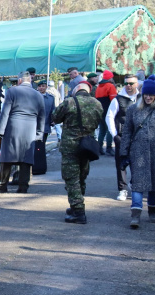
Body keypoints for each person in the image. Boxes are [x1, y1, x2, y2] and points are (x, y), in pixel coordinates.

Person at [118, 76, 155, 228]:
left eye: (151, 95)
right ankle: (135, 215)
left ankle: (152, 210)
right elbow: (127, 132)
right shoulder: (133, 109)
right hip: (138, 151)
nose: (148, 97)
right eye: (146, 94)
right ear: (142, 93)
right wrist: (123, 153)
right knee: (138, 183)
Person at [52, 81, 103, 224]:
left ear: (77, 89)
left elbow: (55, 117)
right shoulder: (97, 104)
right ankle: (76, 206)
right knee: (81, 176)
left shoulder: (69, 102)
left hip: (71, 146)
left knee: (71, 178)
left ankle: (79, 212)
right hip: (87, 146)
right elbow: (97, 122)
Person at [0, 71, 45, 193]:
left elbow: (5, 111)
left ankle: (2, 184)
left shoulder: (12, 91)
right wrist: (39, 133)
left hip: (13, 127)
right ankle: (23, 186)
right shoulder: (38, 95)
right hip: (30, 128)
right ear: (30, 80)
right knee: (26, 159)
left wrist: (0, 131)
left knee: (7, 157)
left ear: (20, 80)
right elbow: (42, 116)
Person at [107, 74, 140, 201]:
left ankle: (134, 184)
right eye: (126, 83)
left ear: (137, 84)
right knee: (121, 164)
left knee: (138, 163)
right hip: (122, 137)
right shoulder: (118, 99)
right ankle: (122, 189)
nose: (128, 86)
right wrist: (114, 134)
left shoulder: (142, 98)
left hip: (138, 138)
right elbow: (109, 116)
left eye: (131, 83)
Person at [95, 70, 118, 155]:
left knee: (102, 130)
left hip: (100, 110)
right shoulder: (110, 86)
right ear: (110, 78)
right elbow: (114, 100)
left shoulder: (99, 87)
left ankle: (99, 147)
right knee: (109, 129)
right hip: (109, 110)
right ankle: (109, 147)